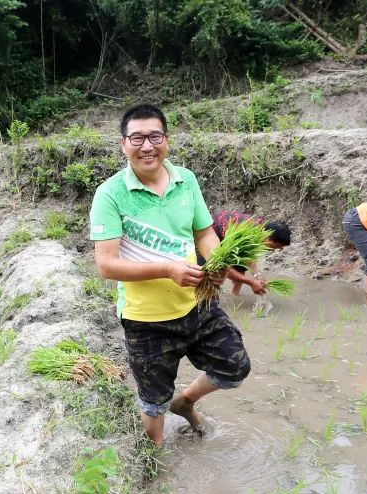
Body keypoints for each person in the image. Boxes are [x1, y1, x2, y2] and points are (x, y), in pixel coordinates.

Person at [89, 104, 251, 446]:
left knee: (234, 366)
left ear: (167, 140)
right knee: (153, 401)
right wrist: (167, 269)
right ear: (123, 144)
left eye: (154, 136)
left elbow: (204, 233)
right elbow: (106, 265)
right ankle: (158, 469)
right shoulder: (110, 194)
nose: (147, 146)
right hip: (146, 321)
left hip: (199, 304)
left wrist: (216, 261)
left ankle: (186, 401)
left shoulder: (186, 179)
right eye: (137, 138)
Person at [209, 210, 291, 296]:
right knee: (214, 271)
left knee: (241, 266)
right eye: (275, 246)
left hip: (231, 236)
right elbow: (224, 268)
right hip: (211, 233)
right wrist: (251, 282)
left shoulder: (260, 231)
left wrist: (258, 276)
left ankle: (235, 295)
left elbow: (248, 260)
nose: (274, 249)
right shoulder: (244, 235)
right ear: (268, 236)